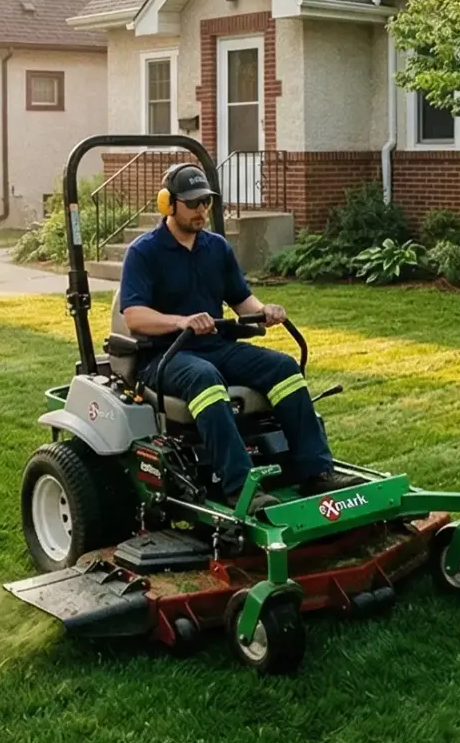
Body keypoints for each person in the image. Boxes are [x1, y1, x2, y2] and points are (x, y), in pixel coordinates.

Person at [117, 163, 356, 503]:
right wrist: (182, 321)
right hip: (166, 356)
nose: (201, 210)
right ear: (167, 204)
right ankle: (239, 487)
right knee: (206, 378)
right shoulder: (144, 252)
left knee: (284, 367)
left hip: (216, 346)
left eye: (206, 202)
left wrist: (264, 311)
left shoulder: (216, 248)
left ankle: (315, 471)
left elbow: (243, 301)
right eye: (193, 203)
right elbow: (135, 317)